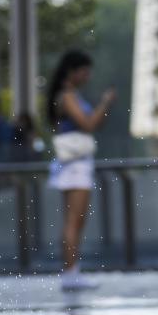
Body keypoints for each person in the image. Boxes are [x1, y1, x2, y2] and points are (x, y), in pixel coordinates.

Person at [46, 50, 116, 292]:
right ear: (72, 71)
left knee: (76, 220)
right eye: (84, 70)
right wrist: (105, 103)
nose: (88, 75)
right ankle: (70, 271)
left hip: (77, 163)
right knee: (73, 221)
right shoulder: (67, 96)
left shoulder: (71, 95)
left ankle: (72, 270)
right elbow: (88, 124)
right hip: (74, 164)